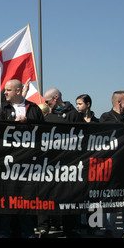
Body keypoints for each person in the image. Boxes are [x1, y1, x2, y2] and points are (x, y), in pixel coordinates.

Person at [0, 79, 44, 238]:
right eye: (5, 90)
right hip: (6, 165)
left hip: (28, 165)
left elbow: (44, 132)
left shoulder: (33, 109)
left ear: (18, 91)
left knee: (26, 201)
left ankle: (28, 232)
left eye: (8, 90)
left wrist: (28, 123)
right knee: (4, 202)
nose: (4, 93)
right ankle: (2, 233)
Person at [41, 87, 84, 238]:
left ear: (56, 98)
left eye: (47, 101)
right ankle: (44, 226)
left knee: (69, 196)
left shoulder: (74, 115)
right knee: (47, 194)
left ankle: (71, 228)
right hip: (51, 163)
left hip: (69, 164)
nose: (46, 104)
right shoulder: (46, 117)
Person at [99, 90, 124, 238]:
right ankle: (109, 228)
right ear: (119, 102)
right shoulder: (105, 118)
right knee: (111, 199)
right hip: (113, 166)